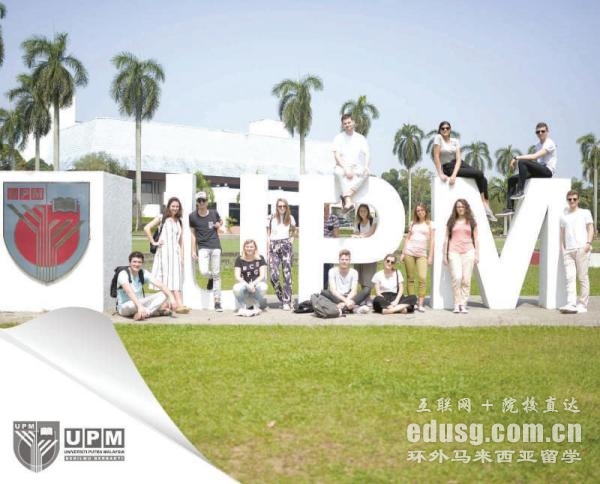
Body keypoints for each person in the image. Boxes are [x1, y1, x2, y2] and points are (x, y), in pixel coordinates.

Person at [433, 121, 497, 222]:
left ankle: (487, 207)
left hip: (458, 164)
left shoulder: (455, 141)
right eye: (443, 128)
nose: (445, 130)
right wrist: (440, 173)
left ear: (450, 130)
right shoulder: (438, 138)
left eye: (447, 128)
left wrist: (454, 175)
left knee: (483, 178)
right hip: (447, 166)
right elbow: (436, 156)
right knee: (479, 174)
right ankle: (483, 203)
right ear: (440, 130)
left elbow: (458, 159)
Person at [144, 197, 189, 314]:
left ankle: (171, 304)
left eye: (177, 206)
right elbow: (147, 228)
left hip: (175, 254)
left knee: (176, 278)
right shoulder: (161, 218)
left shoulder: (179, 221)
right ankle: (175, 304)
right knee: (165, 277)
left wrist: (182, 256)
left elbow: (181, 240)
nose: (175, 208)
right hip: (163, 253)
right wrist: (154, 242)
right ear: (168, 206)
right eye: (173, 206)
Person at [501, 122, 557, 215]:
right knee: (511, 180)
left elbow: (534, 156)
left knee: (522, 161)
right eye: (538, 132)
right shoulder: (538, 145)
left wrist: (516, 157)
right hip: (538, 171)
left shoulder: (550, 143)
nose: (540, 133)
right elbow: (535, 161)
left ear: (547, 132)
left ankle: (520, 191)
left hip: (547, 171)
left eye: (542, 131)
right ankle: (510, 207)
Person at [559, 190, 594, 314]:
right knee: (570, 278)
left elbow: (590, 228)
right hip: (568, 251)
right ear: (567, 200)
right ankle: (571, 303)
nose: (572, 201)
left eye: (574, 199)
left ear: (578, 200)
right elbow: (562, 233)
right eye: (570, 199)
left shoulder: (585, 213)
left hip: (581, 249)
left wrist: (588, 244)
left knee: (582, 277)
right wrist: (563, 249)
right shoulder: (564, 215)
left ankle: (583, 304)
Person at [189, 190, 223, 311]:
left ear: (207, 202)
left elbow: (220, 221)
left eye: (203, 200)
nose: (202, 203)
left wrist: (219, 224)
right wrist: (193, 250)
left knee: (216, 273)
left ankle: (217, 302)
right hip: (202, 247)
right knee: (203, 271)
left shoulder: (214, 213)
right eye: (199, 201)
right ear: (197, 202)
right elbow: (193, 234)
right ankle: (210, 277)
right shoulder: (192, 216)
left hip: (215, 246)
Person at [116, 251, 176, 320]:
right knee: (131, 305)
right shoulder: (123, 274)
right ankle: (153, 312)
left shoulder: (143, 273)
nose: (137, 264)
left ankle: (143, 314)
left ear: (142, 263)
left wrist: (172, 299)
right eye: (134, 262)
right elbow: (130, 292)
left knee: (164, 294)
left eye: (139, 262)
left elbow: (161, 285)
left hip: (141, 302)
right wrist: (140, 307)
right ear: (129, 262)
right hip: (125, 306)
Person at [443, 199, 479, 314]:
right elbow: (446, 239)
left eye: (462, 206)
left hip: (469, 252)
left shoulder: (471, 222)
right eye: (458, 207)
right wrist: (444, 255)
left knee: (466, 280)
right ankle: (456, 303)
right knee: (457, 278)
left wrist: (477, 254)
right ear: (455, 208)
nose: (460, 208)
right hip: (454, 252)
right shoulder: (451, 222)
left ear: (466, 208)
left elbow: (476, 239)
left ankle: (463, 304)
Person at [400, 203, 435, 312]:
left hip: (422, 254)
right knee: (410, 278)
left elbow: (432, 241)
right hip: (409, 252)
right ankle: (412, 302)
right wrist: (403, 253)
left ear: (425, 211)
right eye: (418, 210)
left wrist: (430, 256)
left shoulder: (430, 224)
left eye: (422, 210)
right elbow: (407, 238)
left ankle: (420, 304)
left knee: (422, 278)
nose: (420, 212)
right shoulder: (413, 223)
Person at [333, 113, 370, 212]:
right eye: (345, 123)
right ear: (342, 125)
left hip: (356, 167)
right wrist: (345, 168)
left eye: (349, 122)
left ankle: (346, 195)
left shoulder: (361, 138)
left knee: (366, 173)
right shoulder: (338, 138)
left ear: (353, 122)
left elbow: (367, 153)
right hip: (342, 166)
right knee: (337, 172)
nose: (347, 125)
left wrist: (366, 165)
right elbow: (336, 155)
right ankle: (348, 201)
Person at [267, 198, 296, 310]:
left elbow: (294, 230)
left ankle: (286, 301)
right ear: (277, 207)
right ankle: (282, 297)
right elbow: (268, 234)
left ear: (287, 207)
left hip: (286, 245)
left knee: (287, 274)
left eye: (284, 206)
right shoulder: (271, 217)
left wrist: (291, 240)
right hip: (273, 246)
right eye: (280, 206)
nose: (282, 208)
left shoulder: (290, 218)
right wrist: (268, 248)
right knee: (273, 275)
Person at [321, 249, 370, 314]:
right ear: (339, 260)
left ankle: (342, 308)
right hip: (337, 297)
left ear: (349, 261)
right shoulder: (332, 271)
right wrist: (346, 301)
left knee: (367, 290)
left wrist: (345, 302)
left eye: (346, 260)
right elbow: (333, 290)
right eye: (342, 259)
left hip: (350, 297)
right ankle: (353, 308)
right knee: (324, 292)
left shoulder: (354, 272)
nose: (344, 262)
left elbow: (354, 291)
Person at [233, 239, 268, 317]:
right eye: (247, 247)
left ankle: (257, 305)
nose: (249, 248)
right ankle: (243, 307)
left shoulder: (260, 258)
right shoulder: (239, 259)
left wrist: (253, 284)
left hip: (256, 284)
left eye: (251, 247)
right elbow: (237, 276)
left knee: (264, 287)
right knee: (236, 288)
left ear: (255, 248)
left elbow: (262, 275)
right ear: (244, 248)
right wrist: (247, 285)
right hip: (244, 284)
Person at [352, 203, 377, 291]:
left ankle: (367, 293)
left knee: (368, 273)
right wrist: (358, 235)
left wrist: (360, 235)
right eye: (361, 211)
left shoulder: (373, 221)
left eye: (364, 211)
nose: (362, 213)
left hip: (370, 250)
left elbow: (371, 232)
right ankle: (364, 293)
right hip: (360, 251)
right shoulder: (358, 223)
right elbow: (355, 233)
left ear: (368, 212)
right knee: (360, 273)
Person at [323, 202, 340, 289]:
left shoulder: (333, 218)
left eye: (326, 206)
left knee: (328, 269)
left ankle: (325, 289)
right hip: (318, 248)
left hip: (329, 248)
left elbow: (336, 235)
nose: (324, 209)